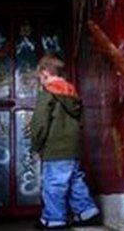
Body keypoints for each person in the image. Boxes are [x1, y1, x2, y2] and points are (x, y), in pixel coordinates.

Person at [30, 54, 101, 229]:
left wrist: (36, 146)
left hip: (55, 147)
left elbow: (40, 123)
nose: (40, 80)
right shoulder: (72, 93)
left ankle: (53, 218)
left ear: (45, 72)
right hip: (73, 148)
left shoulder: (47, 93)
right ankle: (86, 212)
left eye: (40, 76)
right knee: (75, 179)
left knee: (53, 183)